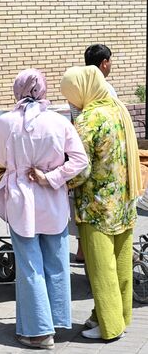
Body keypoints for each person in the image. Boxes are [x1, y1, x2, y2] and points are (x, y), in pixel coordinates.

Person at [0, 69, 88, 349]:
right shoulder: (59, 121)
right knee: (56, 262)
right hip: (53, 197)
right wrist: (52, 177)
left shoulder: (6, 121)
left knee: (29, 266)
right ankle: (56, 323)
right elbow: (79, 160)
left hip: (22, 198)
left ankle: (38, 332)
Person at [61, 65, 142, 340]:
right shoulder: (119, 109)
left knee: (100, 269)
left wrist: (59, 183)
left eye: (71, 94)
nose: (71, 101)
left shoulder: (88, 119)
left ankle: (109, 327)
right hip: (125, 201)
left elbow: (80, 169)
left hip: (97, 207)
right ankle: (120, 318)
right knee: (121, 265)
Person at [72, 43, 118, 262]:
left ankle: (83, 250)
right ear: (104, 63)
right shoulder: (106, 91)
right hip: (104, 155)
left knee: (83, 202)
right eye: (110, 61)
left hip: (83, 149)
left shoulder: (78, 88)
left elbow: (75, 121)